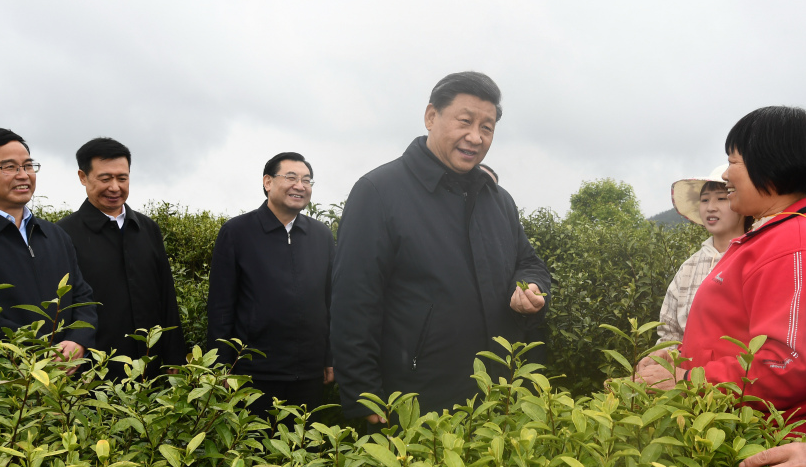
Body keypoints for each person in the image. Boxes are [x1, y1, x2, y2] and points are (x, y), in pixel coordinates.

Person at [331, 72, 551, 424]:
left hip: (500, 400)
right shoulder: (378, 192)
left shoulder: (498, 200)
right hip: (418, 403)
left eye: (487, 127)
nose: (475, 137)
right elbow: (353, 305)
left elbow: (530, 263)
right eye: (465, 122)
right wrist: (364, 399)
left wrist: (532, 289)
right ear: (431, 117)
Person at [637, 106, 806, 437]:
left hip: (757, 440)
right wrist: (678, 362)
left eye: (733, 162)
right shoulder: (769, 237)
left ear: (770, 163)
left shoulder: (794, 244)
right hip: (726, 430)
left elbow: (786, 365)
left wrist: (687, 381)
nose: (728, 175)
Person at [0, 128, 96, 359]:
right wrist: (42, 354)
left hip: (67, 382)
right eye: (9, 167)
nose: (23, 175)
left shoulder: (55, 235)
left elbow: (82, 296)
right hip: (2, 382)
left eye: (27, 165)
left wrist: (78, 340)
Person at [206, 152, 334, 420]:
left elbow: (330, 300)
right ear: (267, 182)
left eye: (307, 180)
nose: (300, 185)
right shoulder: (237, 232)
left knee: (305, 454)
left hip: (309, 374)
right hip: (254, 373)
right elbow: (221, 306)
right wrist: (221, 365)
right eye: (291, 177)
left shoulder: (321, 235)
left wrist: (329, 358)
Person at [57, 138, 185, 377]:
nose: (115, 187)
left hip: (152, 369)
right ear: (83, 177)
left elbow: (166, 297)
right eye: (105, 179)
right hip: (95, 373)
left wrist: (175, 359)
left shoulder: (147, 229)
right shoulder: (63, 234)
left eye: (122, 178)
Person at [646, 165, 751, 353]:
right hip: (687, 378)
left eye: (721, 198)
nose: (711, 207)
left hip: (739, 377)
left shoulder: (756, 259)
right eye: (704, 200)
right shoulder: (688, 268)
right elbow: (669, 335)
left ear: (740, 203)